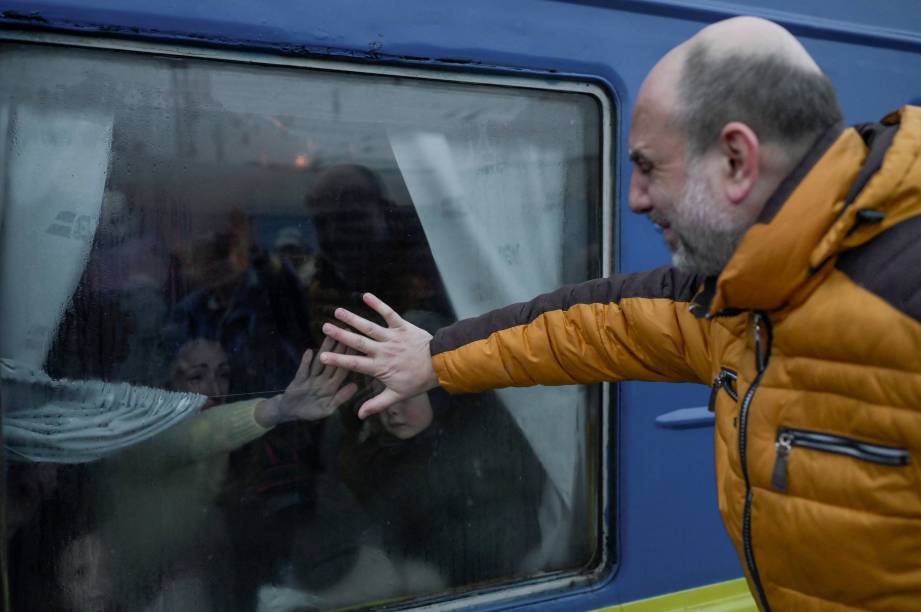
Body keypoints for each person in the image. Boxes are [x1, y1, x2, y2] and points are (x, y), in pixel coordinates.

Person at [317, 16, 921, 612]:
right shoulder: (742, 296)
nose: (633, 199)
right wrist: (434, 358)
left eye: (649, 166)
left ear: (737, 160)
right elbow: (588, 326)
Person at [339, 382, 546, 588]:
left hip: (508, 574)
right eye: (379, 394)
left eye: (404, 395)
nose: (391, 408)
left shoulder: (482, 431)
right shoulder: (379, 457)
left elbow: (526, 492)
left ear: (436, 392)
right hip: (428, 583)